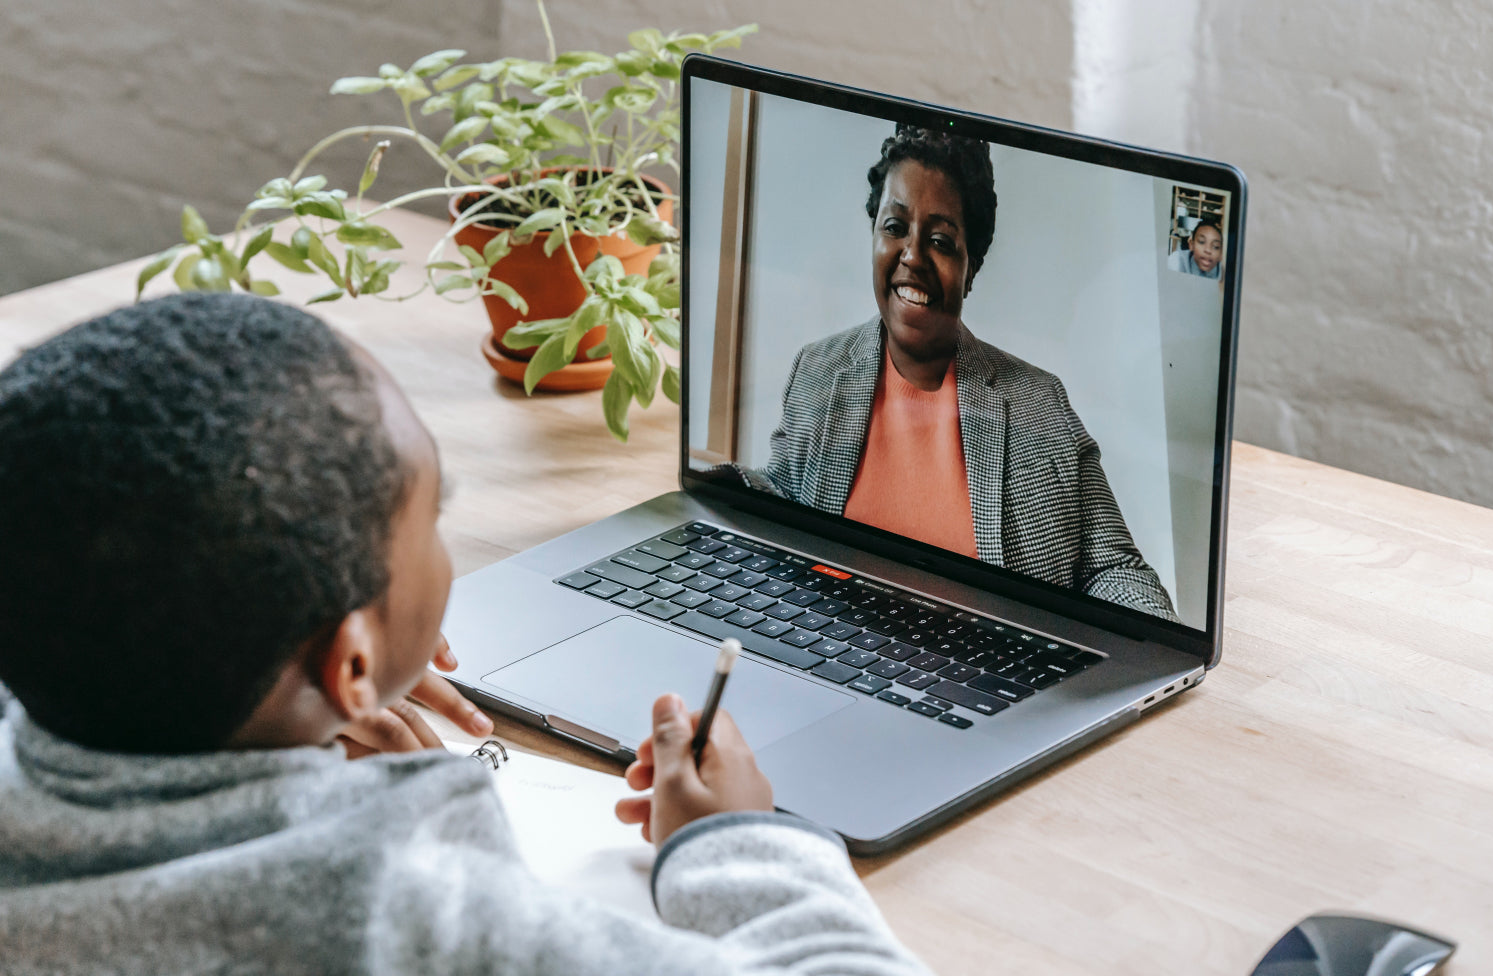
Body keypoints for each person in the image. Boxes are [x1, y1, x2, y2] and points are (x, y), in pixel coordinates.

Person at [0, 293, 929, 975]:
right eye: (431, 516)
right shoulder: (411, 923)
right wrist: (730, 845)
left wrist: (282, 687)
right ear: (351, 662)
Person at [739, 124, 1177, 622]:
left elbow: (1114, 570)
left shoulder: (1039, 402)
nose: (912, 256)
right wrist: (720, 493)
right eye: (895, 227)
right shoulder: (818, 369)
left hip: (987, 682)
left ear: (971, 268)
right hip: (829, 655)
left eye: (942, 241)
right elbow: (782, 504)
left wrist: (1142, 660)